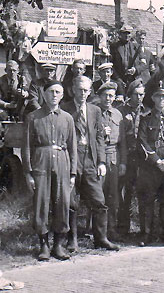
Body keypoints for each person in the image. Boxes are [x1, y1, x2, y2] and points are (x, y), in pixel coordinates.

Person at [61, 75, 119, 251]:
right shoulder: (64, 109)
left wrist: (101, 161)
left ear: (89, 91)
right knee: (71, 201)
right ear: (72, 90)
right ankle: (72, 240)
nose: (82, 94)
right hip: (71, 158)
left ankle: (101, 238)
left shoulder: (95, 111)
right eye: (79, 90)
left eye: (86, 90)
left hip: (90, 159)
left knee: (99, 200)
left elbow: (100, 138)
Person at [22, 81, 77, 261]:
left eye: (58, 92)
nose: (54, 95)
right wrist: (28, 173)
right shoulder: (33, 117)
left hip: (62, 162)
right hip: (41, 162)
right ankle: (44, 245)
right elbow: (27, 147)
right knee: (41, 203)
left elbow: (72, 146)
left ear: (62, 96)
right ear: (44, 94)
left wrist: (73, 173)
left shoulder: (67, 118)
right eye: (51, 91)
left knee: (62, 202)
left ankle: (58, 245)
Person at [137, 86, 164, 244]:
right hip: (152, 166)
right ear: (153, 99)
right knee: (148, 200)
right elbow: (141, 142)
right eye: (157, 97)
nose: (161, 100)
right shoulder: (146, 118)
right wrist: (156, 161)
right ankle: (147, 233)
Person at [117, 79, 150, 234]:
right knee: (125, 192)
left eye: (142, 94)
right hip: (127, 155)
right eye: (136, 94)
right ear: (129, 95)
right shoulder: (120, 111)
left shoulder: (147, 112)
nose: (139, 98)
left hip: (142, 158)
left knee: (143, 191)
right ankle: (123, 228)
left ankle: (144, 230)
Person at [97, 82, 127, 240]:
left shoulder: (118, 114)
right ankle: (96, 230)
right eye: (105, 95)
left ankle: (112, 229)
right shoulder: (94, 112)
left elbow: (122, 142)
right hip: (98, 158)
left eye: (111, 95)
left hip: (114, 157)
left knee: (113, 196)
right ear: (100, 96)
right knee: (98, 195)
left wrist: (123, 163)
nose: (108, 98)